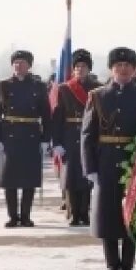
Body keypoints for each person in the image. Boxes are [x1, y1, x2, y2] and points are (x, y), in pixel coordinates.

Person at [81, 47, 136, 270]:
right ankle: (112, 266)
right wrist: (90, 167)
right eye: (118, 66)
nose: (123, 70)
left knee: (132, 217)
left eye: (127, 66)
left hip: (134, 163)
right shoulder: (97, 96)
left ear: (134, 70)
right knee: (108, 216)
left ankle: (129, 267)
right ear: (111, 69)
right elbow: (87, 134)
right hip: (105, 162)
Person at [0, 50, 51, 227]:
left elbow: (46, 114)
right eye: (15, 62)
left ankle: (25, 215)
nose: (18, 65)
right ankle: (12, 216)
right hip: (9, 136)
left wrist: (46, 138)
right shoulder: (2, 86)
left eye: (22, 62)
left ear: (29, 66)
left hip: (31, 135)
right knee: (10, 179)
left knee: (28, 179)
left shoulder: (38, 86)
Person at [51, 49, 100, 226]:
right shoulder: (64, 89)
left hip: (90, 136)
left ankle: (85, 213)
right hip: (69, 136)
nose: (80, 69)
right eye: (77, 66)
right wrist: (56, 142)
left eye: (84, 66)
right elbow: (57, 118)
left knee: (87, 177)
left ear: (89, 69)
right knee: (71, 178)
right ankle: (73, 213)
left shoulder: (97, 88)